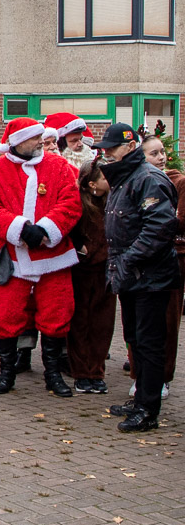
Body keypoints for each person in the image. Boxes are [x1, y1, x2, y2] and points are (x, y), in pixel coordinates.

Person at [0, 117, 82, 398]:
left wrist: (47, 229)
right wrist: (21, 229)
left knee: (56, 312)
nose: (41, 141)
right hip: (11, 256)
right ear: (17, 141)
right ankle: (6, 373)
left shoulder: (59, 167)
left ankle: (52, 374)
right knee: (5, 315)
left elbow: (71, 202)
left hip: (53, 255)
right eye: (35, 137)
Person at [96, 124, 180, 432]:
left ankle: (148, 409)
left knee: (149, 343)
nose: (105, 153)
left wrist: (128, 260)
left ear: (129, 147)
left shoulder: (147, 178)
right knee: (135, 339)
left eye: (111, 148)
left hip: (150, 277)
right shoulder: (125, 177)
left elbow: (158, 229)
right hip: (132, 276)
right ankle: (141, 399)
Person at [66, 157, 116, 394]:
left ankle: (97, 371)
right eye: (104, 177)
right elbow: (66, 228)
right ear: (90, 183)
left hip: (106, 271)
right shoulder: (78, 204)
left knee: (103, 324)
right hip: (81, 271)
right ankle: (81, 372)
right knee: (80, 322)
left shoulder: (114, 202)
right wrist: (79, 246)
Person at [143, 134, 185, 397]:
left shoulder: (178, 181)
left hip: (172, 256)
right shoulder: (136, 180)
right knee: (139, 323)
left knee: (168, 320)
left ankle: (163, 377)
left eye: (162, 152)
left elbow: (179, 220)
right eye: (153, 153)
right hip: (140, 259)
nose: (160, 157)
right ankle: (141, 373)